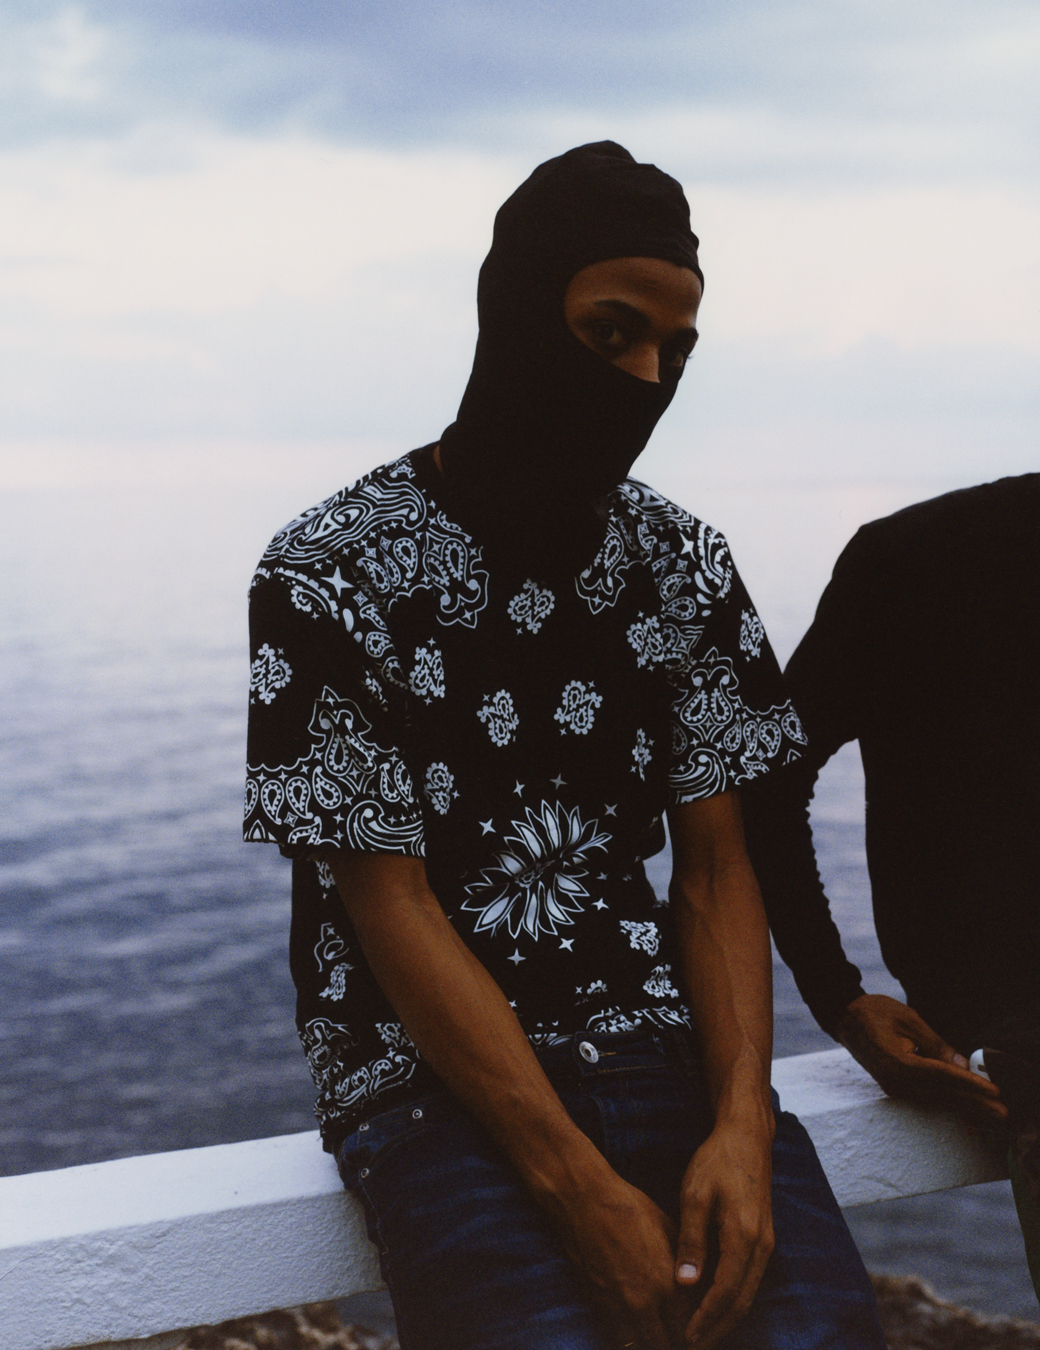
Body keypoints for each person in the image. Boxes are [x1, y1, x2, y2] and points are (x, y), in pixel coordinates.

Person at [244, 142, 885, 1349]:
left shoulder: (679, 561)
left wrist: (742, 1128)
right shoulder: (328, 571)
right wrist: (578, 1193)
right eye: (609, 334)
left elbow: (714, 867)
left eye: (673, 352)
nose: (644, 377)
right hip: (432, 1091)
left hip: (669, 1059)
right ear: (517, 313)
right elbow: (391, 903)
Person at [742, 473, 1040, 1299]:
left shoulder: (919, 551)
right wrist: (837, 997)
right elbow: (764, 783)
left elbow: (765, 782)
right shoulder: (923, 558)